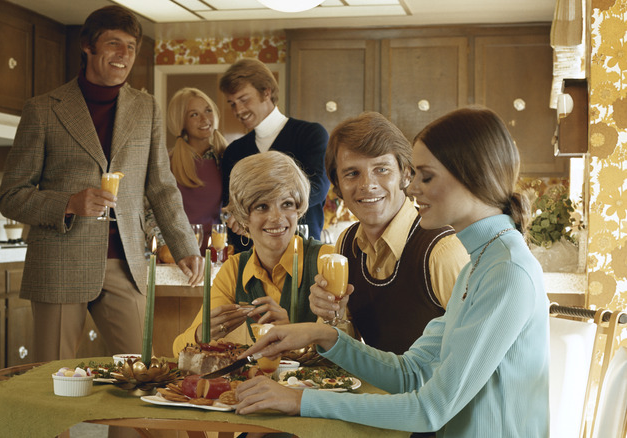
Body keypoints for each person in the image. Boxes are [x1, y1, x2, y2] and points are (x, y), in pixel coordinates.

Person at [234, 107, 550, 437]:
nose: (413, 189)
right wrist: (322, 334)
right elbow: (411, 372)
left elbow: (431, 409)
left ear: (471, 176)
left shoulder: (506, 270)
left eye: (426, 177)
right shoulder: (483, 261)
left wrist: (301, 400)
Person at [0, 5, 203, 364]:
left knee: (141, 376)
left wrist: (184, 244)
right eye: (113, 44)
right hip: (59, 264)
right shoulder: (43, 110)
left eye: (131, 47)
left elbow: (161, 186)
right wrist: (68, 203)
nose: (124, 55)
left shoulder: (147, 109)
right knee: (52, 383)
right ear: (88, 47)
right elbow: (11, 196)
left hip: (126, 263)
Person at [310, 112, 469, 355]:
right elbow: (348, 352)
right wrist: (334, 316)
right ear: (338, 185)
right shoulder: (346, 244)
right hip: (379, 392)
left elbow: (477, 354)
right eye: (352, 173)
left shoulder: (443, 251)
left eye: (381, 169)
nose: (367, 184)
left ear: (406, 174)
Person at [172, 151, 335, 354]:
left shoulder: (327, 261)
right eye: (262, 206)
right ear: (243, 218)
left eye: (287, 204)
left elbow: (343, 349)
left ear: (298, 209)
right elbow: (179, 350)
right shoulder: (234, 269)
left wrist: (293, 335)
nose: (277, 217)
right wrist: (200, 334)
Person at [219, 58, 329, 251]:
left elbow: (318, 187)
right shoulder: (234, 151)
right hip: (249, 256)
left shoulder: (310, 135)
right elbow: (230, 202)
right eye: (232, 103)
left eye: (244, 100)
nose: (238, 110)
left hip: (301, 252)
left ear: (266, 92)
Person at [167, 87, 228, 252]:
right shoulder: (167, 162)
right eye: (194, 114)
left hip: (218, 251)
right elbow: (153, 212)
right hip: (178, 252)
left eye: (208, 111)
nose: (204, 119)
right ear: (182, 122)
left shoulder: (226, 158)